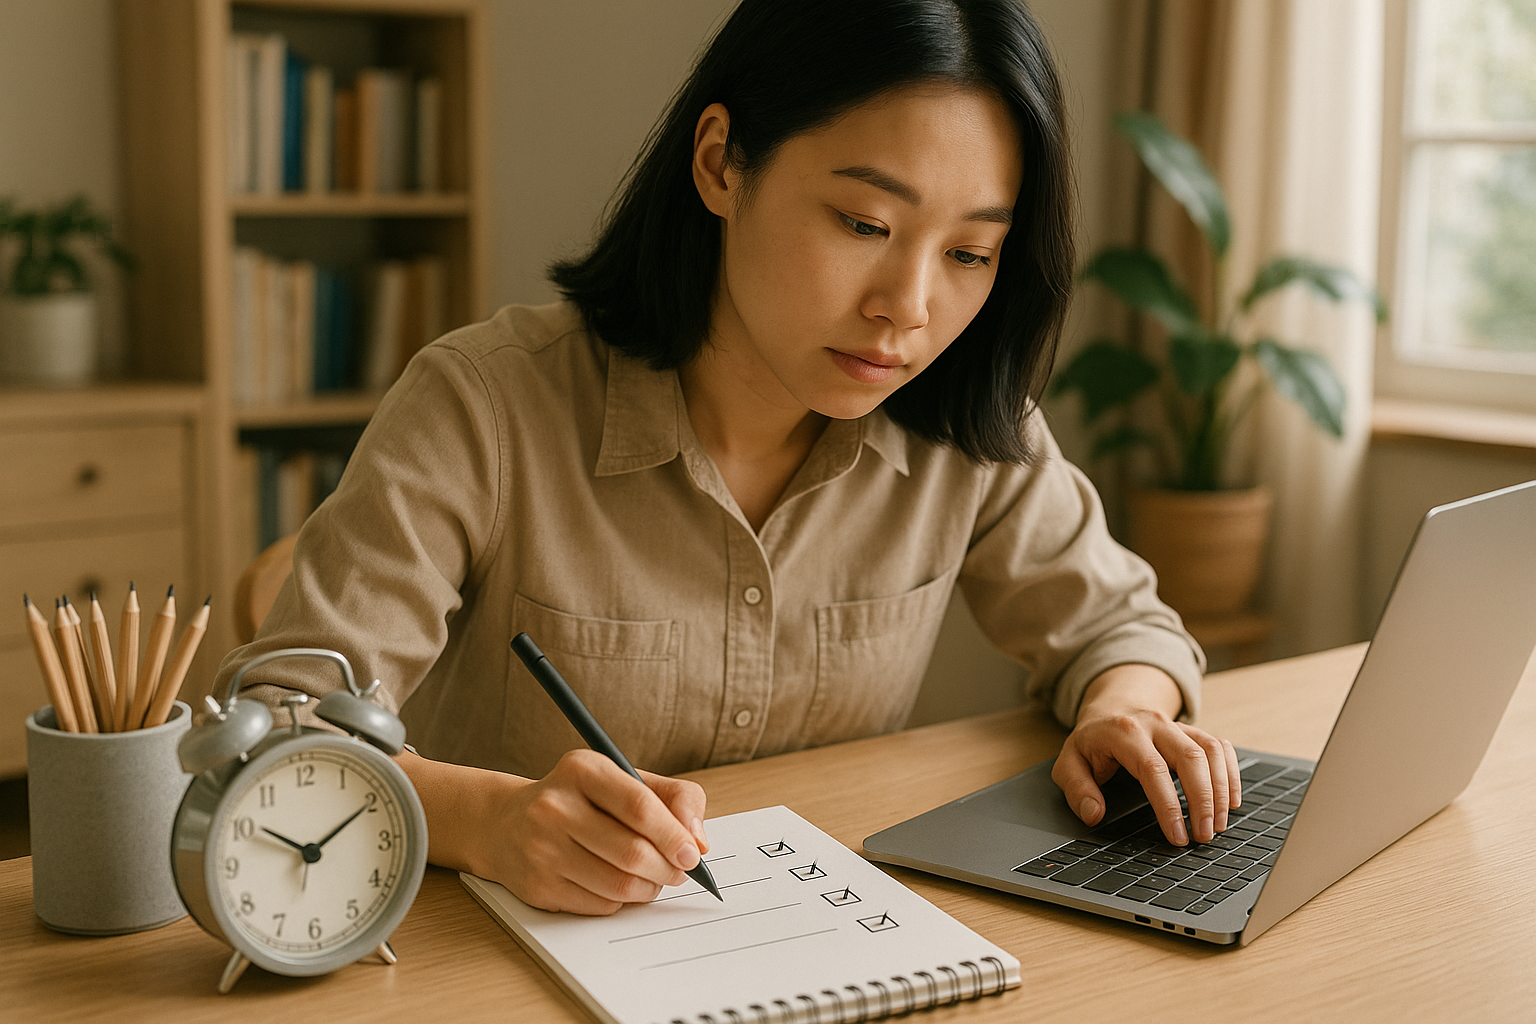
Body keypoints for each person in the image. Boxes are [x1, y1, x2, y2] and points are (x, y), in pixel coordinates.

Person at [221, 0, 1240, 917]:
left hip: (814, 939)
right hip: (493, 954)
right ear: (720, 161)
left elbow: (1121, 626)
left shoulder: (963, 425)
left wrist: (1125, 713)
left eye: (969, 252)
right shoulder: (485, 404)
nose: (910, 307)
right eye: (865, 222)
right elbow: (278, 731)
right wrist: (487, 819)